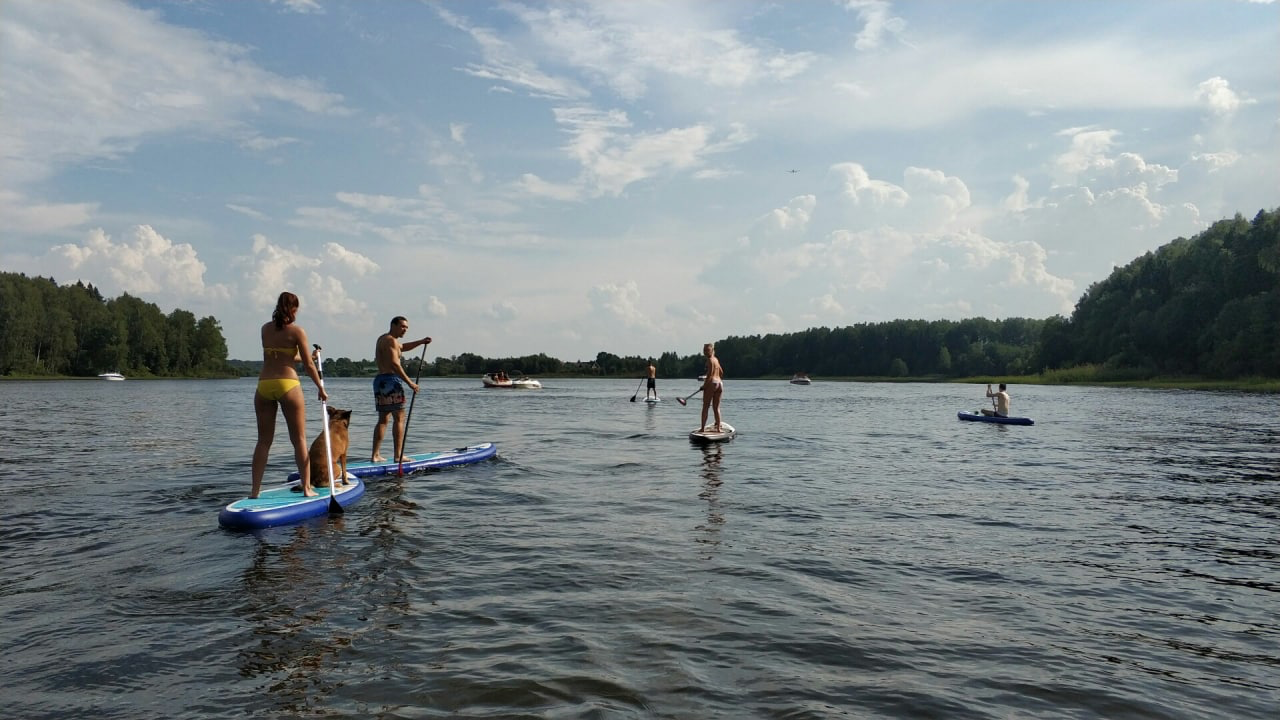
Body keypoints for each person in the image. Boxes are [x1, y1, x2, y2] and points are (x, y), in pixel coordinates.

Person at [251, 291, 327, 499]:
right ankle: (306, 488)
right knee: (299, 439)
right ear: (293, 309)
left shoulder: (265, 329)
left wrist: (306, 356)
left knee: (263, 441)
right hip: (288, 384)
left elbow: (280, 354)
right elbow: (309, 365)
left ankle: (254, 491)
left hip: (264, 385)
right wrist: (320, 388)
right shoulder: (297, 332)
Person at [371, 316, 432, 462]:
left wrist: (421, 342)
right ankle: (398, 456)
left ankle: (375, 455)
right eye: (402, 326)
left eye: (406, 327)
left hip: (380, 381)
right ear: (393, 325)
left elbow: (403, 347)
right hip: (391, 381)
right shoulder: (391, 340)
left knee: (383, 420)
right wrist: (410, 383)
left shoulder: (384, 339)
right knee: (399, 418)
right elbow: (394, 364)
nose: (405, 330)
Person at [700, 343, 725, 432]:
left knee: (705, 406)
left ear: (712, 350)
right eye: (704, 350)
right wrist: (716, 377)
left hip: (712, 383)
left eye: (707, 350)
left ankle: (702, 428)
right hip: (719, 384)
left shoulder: (709, 360)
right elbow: (721, 372)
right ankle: (718, 428)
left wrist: (704, 386)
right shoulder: (716, 359)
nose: (705, 352)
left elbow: (710, 375)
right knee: (716, 407)